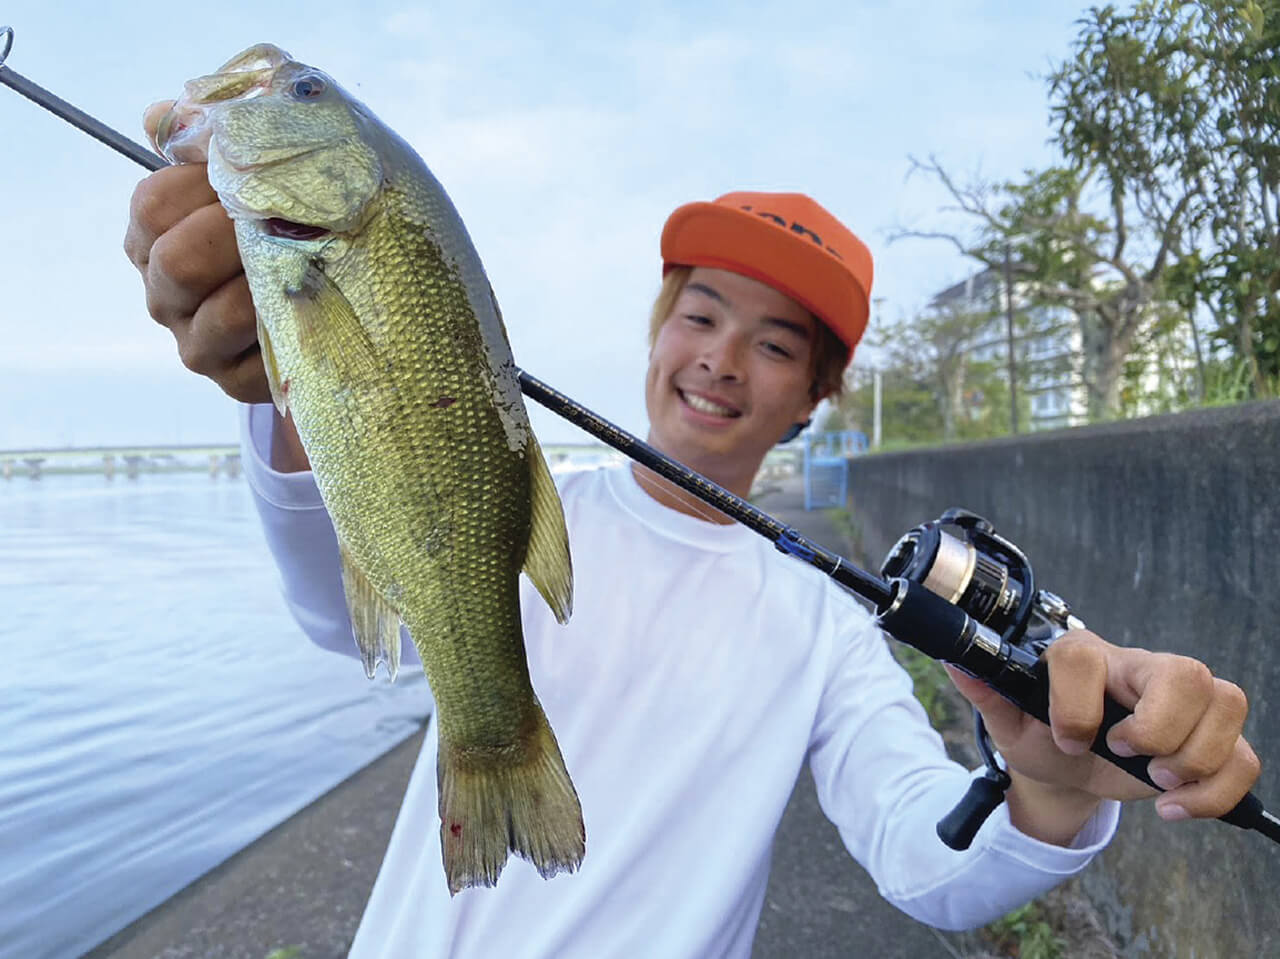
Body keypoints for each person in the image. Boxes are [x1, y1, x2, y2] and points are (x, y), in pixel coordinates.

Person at [125, 125, 1260, 956]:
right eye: (699, 313)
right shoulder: (528, 490)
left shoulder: (824, 623)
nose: (719, 357)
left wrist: (1050, 792)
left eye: (774, 344)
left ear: (814, 394)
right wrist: (284, 393)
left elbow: (925, 858)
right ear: (657, 330)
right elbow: (338, 612)